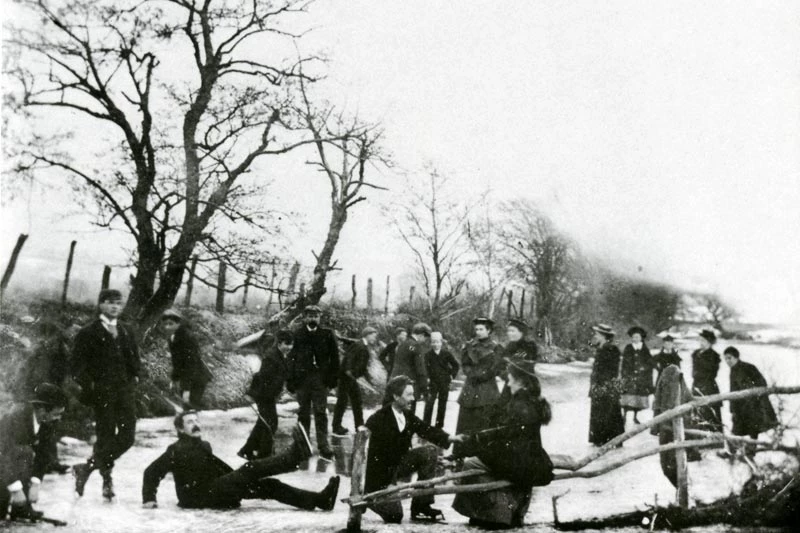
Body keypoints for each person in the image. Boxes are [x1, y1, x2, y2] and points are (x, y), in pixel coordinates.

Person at [142, 411, 340, 512]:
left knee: (269, 486)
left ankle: (320, 501)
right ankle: (293, 457)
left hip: (216, 491)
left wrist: (238, 479)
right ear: (180, 429)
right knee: (250, 468)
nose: (196, 424)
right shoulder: (175, 450)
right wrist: (149, 498)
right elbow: (151, 472)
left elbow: (217, 470)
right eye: (190, 422)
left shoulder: (203, 445)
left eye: (196, 420)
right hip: (197, 498)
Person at [452, 359, 553, 529]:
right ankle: (504, 510)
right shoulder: (533, 401)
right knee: (480, 460)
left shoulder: (519, 404)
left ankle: (485, 514)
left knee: (470, 465)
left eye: (510, 378)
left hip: (516, 459)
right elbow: (508, 432)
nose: (508, 381)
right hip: (531, 457)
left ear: (520, 381)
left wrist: (476, 440)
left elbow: (504, 434)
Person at [364, 376, 464, 524]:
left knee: (429, 451)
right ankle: (372, 499)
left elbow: (425, 429)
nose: (413, 398)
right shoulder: (378, 419)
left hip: (400, 464)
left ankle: (421, 506)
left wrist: (450, 438)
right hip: (382, 475)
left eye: (413, 394)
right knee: (395, 516)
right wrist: (391, 483)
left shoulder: (407, 415)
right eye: (409, 395)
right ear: (396, 396)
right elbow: (379, 458)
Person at [72, 289, 141, 501]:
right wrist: (91, 387)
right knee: (106, 436)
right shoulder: (88, 332)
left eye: (118, 304)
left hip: (124, 391)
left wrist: (134, 376)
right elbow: (77, 366)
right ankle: (106, 480)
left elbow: (134, 358)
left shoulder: (127, 330)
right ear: (101, 305)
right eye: (110, 303)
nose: (115, 307)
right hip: (102, 394)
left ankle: (86, 468)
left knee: (127, 436)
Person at [1, 383, 68, 522]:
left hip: (6, 471)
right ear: (42, 410)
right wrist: (15, 488)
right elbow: (3, 455)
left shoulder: (47, 424)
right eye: (56, 414)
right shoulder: (14, 419)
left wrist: (35, 483)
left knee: (28, 453)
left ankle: (20, 508)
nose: (59, 418)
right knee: (23, 451)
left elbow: (44, 455)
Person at [288, 305, 339, 460]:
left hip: (320, 380)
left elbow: (335, 358)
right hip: (302, 380)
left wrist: (332, 379)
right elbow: (291, 359)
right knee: (303, 412)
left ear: (320, 318)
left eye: (315, 316)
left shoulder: (327, 334)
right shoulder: (297, 334)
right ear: (304, 318)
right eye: (310, 316)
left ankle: (323, 446)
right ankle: (302, 444)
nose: (313, 319)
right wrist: (290, 380)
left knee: (320, 412)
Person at [238, 329, 294, 460]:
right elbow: (261, 377)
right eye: (287, 344)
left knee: (263, 422)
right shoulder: (271, 357)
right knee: (271, 423)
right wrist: (253, 394)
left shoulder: (280, 355)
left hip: (269, 395)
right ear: (280, 343)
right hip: (264, 395)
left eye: (291, 344)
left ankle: (247, 450)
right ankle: (265, 454)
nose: (290, 347)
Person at [455, 317, 503, 455]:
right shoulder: (469, 345)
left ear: (489, 330)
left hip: (487, 388)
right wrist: (471, 374)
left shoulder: (496, 348)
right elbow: (464, 364)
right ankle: (461, 452)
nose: (478, 332)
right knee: (465, 420)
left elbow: (497, 368)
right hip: (470, 387)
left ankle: (483, 454)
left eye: (481, 329)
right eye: (476, 329)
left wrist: (483, 376)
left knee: (484, 421)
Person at [650, 365, 698, 487]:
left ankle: (684, 490)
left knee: (677, 463)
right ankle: (681, 489)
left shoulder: (682, 389)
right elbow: (657, 406)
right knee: (667, 465)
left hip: (679, 430)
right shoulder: (663, 392)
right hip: (666, 430)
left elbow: (690, 400)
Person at [724, 347, 778, 444]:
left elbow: (762, 382)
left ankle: (749, 451)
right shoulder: (733, 371)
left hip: (753, 405)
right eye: (726, 359)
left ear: (736, 357)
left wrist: (753, 395)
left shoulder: (749, 367)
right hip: (740, 406)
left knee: (753, 429)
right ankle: (733, 452)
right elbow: (733, 390)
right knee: (737, 430)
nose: (727, 361)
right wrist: (732, 409)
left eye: (729, 358)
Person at [160, 309, 212, 409]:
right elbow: (177, 362)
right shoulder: (173, 338)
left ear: (178, 323)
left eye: (171, 324)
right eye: (165, 324)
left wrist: (186, 389)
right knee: (187, 409)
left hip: (196, 378)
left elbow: (190, 364)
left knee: (190, 409)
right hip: (187, 378)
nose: (167, 327)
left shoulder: (187, 337)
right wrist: (174, 379)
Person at [332, 326, 378, 436]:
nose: (375, 337)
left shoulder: (363, 345)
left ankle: (359, 426)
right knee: (342, 402)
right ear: (367, 334)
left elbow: (362, 365)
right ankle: (337, 427)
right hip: (346, 377)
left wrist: (368, 379)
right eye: (373, 335)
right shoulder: (359, 345)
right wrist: (348, 371)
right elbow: (349, 358)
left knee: (356, 401)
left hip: (351, 377)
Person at [588, 324, 625, 445]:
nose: (595, 336)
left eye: (597, 334)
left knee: (608, 411)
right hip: (599, 385)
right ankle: (600, 438)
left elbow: (612, 370)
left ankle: (609, 439)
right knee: (600, 411)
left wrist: (603, 384)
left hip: (606, 385)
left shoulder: (611, 349)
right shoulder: (601, 347)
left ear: (604, 336)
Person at [389, 322, 432, 416]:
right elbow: (420, 370)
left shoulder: (402, 344)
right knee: (408, 415)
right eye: (425, 338)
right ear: (421, 335)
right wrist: (425, 390)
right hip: (409, 386)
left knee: (396, 414)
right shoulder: (416, 346)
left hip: (395, 384)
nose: (424, 341)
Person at [423, 331, 460, 428]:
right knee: (429, 403)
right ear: (431, 343)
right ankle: (425, 426)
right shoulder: (428, 355)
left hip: (444, 382)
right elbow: (424, 368)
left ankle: (439, 426)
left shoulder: (446, 354)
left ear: (441, 342)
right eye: (433, 342)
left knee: (442, 404)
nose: (435, 344)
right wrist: (427, 378)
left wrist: (452, 376)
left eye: (437, 342)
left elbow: (456, 365)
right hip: (433, 383)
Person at [619, 327, 655, 424]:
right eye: (634, 337)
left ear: (641, 338)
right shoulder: (628, 348)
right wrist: (625, 374)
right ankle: (625, 415)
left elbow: (649, 363)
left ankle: (635, 416)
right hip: (629, 376)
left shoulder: (644, 349)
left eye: (637, 337)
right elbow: (625, 363)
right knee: (627, 397)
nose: (635, 339)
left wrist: (644, 369)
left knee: (638, 398)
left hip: (641, 378)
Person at [691, 329, 723, 432]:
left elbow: (713, 373)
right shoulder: (696, 353)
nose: (701, 343)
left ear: (709, 342)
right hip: (696, 385)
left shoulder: (714, 356)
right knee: (697, 413)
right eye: (699, 340)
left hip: (708, 386)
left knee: (711, 413)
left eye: (703, 341)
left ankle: (715, 439)